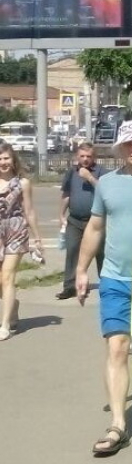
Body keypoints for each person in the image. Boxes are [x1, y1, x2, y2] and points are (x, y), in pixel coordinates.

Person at [76, 120, 132, 457]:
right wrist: (81, 270)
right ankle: (119, 425)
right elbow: (96, 227)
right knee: (117, 347)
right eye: (129, 143)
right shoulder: (107, 184)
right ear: (121, 149)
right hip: (115, 279)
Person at [0, 142, 42, 340]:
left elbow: (29, 211)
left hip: (16, 230)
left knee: (8, 277)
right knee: (1, 281)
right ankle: (13, 304)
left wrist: (37, 238)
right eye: (0, 159)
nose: (3, 162)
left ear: (13, 159)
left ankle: (5, 324)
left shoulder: (22, 183)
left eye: (6, 158)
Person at [57, 142, 105, 300]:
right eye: (82, 156)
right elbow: (66, 194)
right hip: (75, 220)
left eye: (88, 156)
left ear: (94, 157)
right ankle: (69, 286)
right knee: (72, 250)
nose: (85, 159)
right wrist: (61, 214)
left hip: (96, 221)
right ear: (77, 157)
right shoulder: (71, 172)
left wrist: (90, 177)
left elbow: (106, 192)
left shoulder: (101, 172)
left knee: (100, 253)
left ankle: (106, 284)